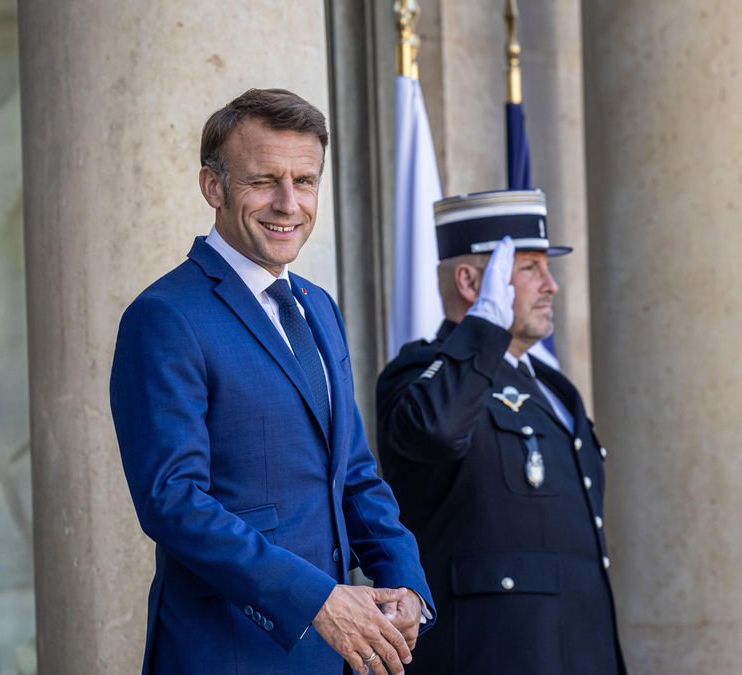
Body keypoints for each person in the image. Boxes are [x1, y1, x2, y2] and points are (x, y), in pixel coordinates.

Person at [110, 88, 434, 675]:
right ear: (214, 187)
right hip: (229, 651)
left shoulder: (318, 307)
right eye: (264, 180)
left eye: (305, 181)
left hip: (340, 651)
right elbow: (172, 502)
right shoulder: (165, 316)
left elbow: (354, 473)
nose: (289, 203)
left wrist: (405, 581)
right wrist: (315, 602)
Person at [375, 189, 627, 674]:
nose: (551, 285)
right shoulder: (420, 373)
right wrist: (485, 329)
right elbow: (436, 432)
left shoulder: (551, 385)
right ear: (472, 282)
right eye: (529, 269)